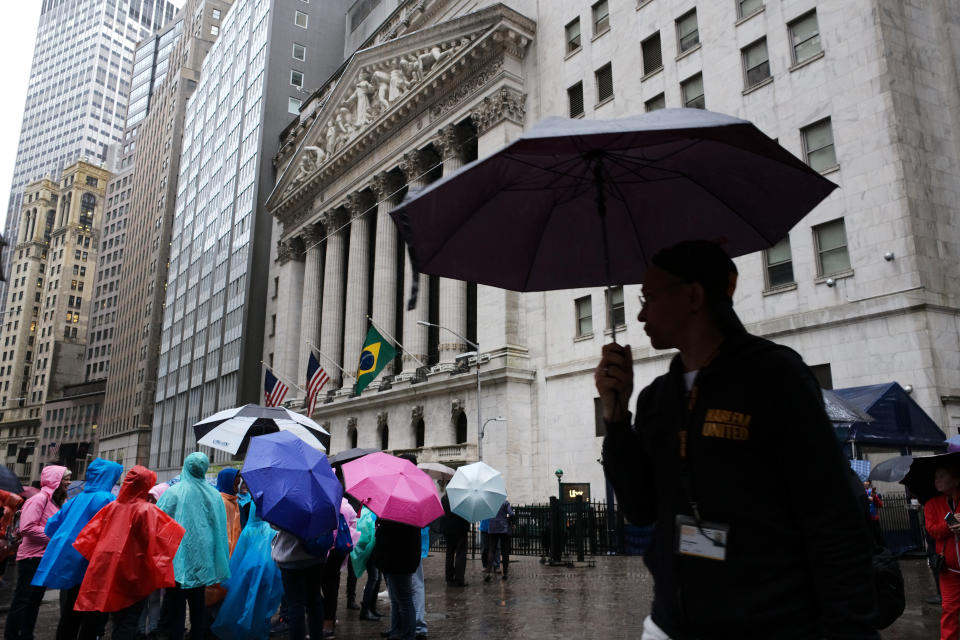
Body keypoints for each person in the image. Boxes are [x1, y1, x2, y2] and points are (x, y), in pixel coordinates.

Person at [596, 240, 878, 639]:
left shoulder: (775, 376)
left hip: (768, 622)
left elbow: (831, 516)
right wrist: (616, 418)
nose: (640, 313)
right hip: (669, 624)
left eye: (649, 297)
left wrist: (850, 629)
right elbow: (640, 509)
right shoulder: (656, 398)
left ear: (693, 296)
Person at [72, 465, 185, 638]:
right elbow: (169, 537)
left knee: (104, 616)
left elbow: (88, 538)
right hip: (133, 574)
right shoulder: (148, 510)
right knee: (128, 620)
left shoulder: (111, 507)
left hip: (104, 570)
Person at [32, 458, 123, 640]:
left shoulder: (77, 499)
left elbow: (51, 526)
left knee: (69, 613)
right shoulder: (108, 499)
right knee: (92, 615)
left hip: (69, 563)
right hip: (92, 565)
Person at [156, 452, 231, 640]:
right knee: (198, 602)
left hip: (176, 559)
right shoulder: (214, 494)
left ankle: (176, 635)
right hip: (202, 559)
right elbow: (220, 528)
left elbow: (158, 522)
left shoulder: (173, 492)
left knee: (176, 605)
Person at [4, 464, 70, 640]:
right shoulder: (40, 499)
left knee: (34, 601)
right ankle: (13, 635)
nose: (68, 482)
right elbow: (28, 528)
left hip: (43, 558)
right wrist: (55, 539)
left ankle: (26, 634)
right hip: (31, 558)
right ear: (55, 480)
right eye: (65, 478)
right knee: (23, 600)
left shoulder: (56, 501)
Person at [211, 501, 284, 640]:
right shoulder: (273, 531)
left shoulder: (249, 530)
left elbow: (238, 557)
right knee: (263, 606)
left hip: (248, 574)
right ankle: (260, 632)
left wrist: (232, 578)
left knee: (248, 603)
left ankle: (246, 631)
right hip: (268, 575)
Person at [271, 523, 325, 640]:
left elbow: (274, 525)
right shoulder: (321, 504)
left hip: (291, 557)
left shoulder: (286, 504)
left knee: (295, 605)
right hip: (315, 555)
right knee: (314, 601)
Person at [924, 464, 960, 639]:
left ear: (956, 479)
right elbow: (932, 531)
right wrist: (949, 526)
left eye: (942, 476)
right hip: (949, 570)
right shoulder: (932, 504)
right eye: (936, 477)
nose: (937, 481)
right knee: (950, 611)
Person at [373, 516, 421, 640]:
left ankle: (407, 635)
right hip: (392, 562)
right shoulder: (393, 515)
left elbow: (395, 537)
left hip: (399, 562)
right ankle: (396, 631)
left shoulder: (405, 517)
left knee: (404, 600)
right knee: (395, 599)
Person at [351, 505, 383, 622]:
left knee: (378, 578)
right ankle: (365, 610)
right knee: (374, 578)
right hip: (371, 551)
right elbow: (366, 534)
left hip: (375, 550)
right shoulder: (369, 512)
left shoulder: (371, 510)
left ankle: (372, 608)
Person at [440, 493, 469, 587]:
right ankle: (459, 579)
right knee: (460, 554)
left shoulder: (444, 498)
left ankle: (449, 578)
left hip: (448, 530)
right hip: (460, 529)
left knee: (449, 553)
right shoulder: (462, 498)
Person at [484, 499, 513, 582]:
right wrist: (511, 522)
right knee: (505, 551)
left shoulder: (491, 502)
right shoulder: (505, 502)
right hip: (503, 529)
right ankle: (505, 573)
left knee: (491, 550)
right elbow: (511, 513)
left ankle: (488, 572)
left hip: (492, 528)